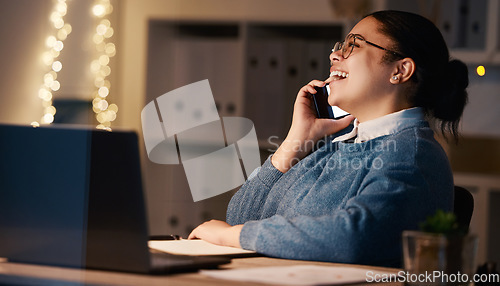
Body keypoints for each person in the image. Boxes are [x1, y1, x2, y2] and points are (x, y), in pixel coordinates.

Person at [188, 10, 469, 267]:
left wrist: (231, 237)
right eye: (339, 47)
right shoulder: (340, 144)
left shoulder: (413, 153)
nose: (334, 56)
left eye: (354, 45)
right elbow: (240, 218)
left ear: (400, 70)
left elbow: (353, 238)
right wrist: (294, 143)